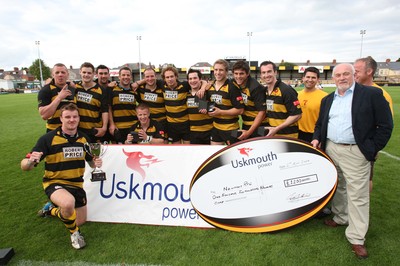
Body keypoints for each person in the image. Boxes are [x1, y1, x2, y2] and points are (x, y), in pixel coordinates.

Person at [311, 63, 393, 259]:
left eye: (346, 73)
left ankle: (357, 237)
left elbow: (386, 125)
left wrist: (372, 148)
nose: (342, 77)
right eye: (338, 75)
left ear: (354, 74)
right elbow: (321, 123)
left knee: (358, 194)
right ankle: (341, 217)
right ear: (333, 78)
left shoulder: (371, 95)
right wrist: (317, 137)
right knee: (338, 186)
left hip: (355, 151)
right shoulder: (328, 98)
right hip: (331, 148)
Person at [21, 103, 103, 249]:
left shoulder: (84, 139)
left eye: (74, 117)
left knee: (79, 219)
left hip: (77, 185)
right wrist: (30, 161)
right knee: (67, 204)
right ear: (61, 119)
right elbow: (25, 166)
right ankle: (75, 234)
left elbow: (90, 162)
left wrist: (96, 162)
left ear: (78, 118)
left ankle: (50, 210)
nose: (71, 120)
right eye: (67, 117)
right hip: (54, 182)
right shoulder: (47, 139)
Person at [354, 56, 395, 192]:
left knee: (366, 179)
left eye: (357, 71)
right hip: (348, 146)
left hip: (365, 146)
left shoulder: (380, 94)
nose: (354, 74)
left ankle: (364, 208)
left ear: (369, 71)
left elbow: (385, 125)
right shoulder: (352, 90)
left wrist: (374, 147)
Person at [203, 59, 244, 145]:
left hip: (231, 129)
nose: (218, 72)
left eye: (221, 70)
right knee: (215, 155)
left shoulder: (232, 87)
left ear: (226, 72)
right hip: (216, 127)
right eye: (216, 70)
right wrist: (204, 108)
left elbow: (240, 110)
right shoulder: (209, 87)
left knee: (233, 156)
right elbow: (204, 103)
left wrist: (220, 112)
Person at [260, 61, 302, 138]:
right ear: (261, 75)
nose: (266, 75)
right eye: (263, 72)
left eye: (269, 71)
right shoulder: (265, 91)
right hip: (273, 136)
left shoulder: (286, 90)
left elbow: (297, 115)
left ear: (275, 72)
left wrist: (277, 128)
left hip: (288, 137)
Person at [231, 61, 267, 140]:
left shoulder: (256, 87)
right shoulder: (234, 82)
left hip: (260, 125)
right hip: (245, 124)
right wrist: (203, 85)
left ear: (247, 74)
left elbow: (262, 112)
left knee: (258, 149)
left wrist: (249, 132)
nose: (238, 76)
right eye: (236, 73)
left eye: (241, 73)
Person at [75, 62, 109, 142]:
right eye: (84, 72)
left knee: (95, 154)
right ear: (80, 72)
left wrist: (104, 128)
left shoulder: (101, 90)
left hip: (94, 130)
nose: (86, 75)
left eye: (89, 73)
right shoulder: (75, 87)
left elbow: (105, 110)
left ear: (94, 74)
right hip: (78, 130)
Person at [38, 63, 75, 132]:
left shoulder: (73, 88)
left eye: (63, 72)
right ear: (53, 75)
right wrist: (59, 98)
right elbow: (44, 115)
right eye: (57, 72)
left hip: (73, 132)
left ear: (67, 75)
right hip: (53, 132)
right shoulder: (46, 90)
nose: (60, 75)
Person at [161, 66, 191, 144]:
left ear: (176, 76)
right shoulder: (162, 85)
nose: (170, 79)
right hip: (171, 125)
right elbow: (148, 79)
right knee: (176, 149)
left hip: (185, 124)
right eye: (167, 77)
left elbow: (202, 82)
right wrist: (137, 83)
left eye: (172, 76)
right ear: (164, 79)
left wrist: (202, 88)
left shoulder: (184, 85)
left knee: (187, 149)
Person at [297, 67, 328, 142]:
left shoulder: (325, 97)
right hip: (298, 134)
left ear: (318, 79)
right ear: (303, 78)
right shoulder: (297, 95)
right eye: (308, 77)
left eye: (313, 77)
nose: (310, 80)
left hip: (315, 136)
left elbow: (326, 120)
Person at [108, 67, 138, 143]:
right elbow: (109, 108)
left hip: (133, 127)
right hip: (118, 128)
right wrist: (111, 124)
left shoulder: (135, 90)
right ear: (119, 76)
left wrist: (138, 83)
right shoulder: (112, 89)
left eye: (128, 75)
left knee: (133, 152)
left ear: (131, 77)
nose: (126, 77)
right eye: (123, 75)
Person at [134, 67, 167, 132]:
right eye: (147, 76)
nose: (150, 79)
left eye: (152, 76)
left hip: (162, 122)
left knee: (162, 141)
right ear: (144, 78)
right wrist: (138, 83)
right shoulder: (140, 89)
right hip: (147, 123)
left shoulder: (163, 87)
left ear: (156, 76)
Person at [186, 69, 213, 144]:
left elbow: (215, 106)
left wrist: (207, 109)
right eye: (190, 79)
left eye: (195, 78)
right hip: (193, 132)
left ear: (200, 79)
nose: (193, 81)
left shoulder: (208, 91)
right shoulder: (186, 94)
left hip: (208, 131)